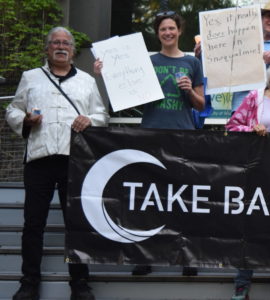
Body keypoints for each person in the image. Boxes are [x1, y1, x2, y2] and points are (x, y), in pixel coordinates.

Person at [94, 10, 204, 276]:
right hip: (150, 135)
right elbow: (124, 92)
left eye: (172, 28)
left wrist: (189, 91)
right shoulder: (146, 61)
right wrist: (101, 74)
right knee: (148, 197)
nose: (167, 33)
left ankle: (185, 257)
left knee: (182, 197)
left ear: (179, 31)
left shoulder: (192, 62)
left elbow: (202, 105)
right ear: (158, 34)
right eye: (162, 29)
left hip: (183, 135)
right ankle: (145, 256)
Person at [6, 26, 109, 300]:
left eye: (66, 43)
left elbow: (101, 114)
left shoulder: (87, 81)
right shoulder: (31, 78)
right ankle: (28, 282)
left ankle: (80, 284)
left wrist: (90, 120)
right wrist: (25, 120)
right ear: (47, 48)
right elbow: (12, 109)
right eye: (55, 43)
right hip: (39, 158)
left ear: (73, 51)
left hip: (74, 160)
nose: (61, 47)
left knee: (76, 224)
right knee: (33, 224)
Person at [225, 59, 270, 300]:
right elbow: (232, 126)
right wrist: (251, 129)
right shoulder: (255, 98)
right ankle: (242, 283)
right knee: (251, 226)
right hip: (256, 172)